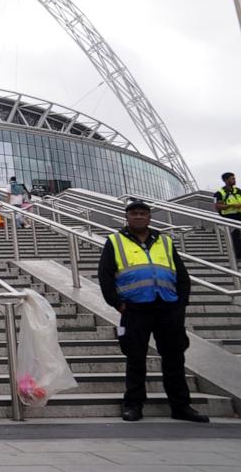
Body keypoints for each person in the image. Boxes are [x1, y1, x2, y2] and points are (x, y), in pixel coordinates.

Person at [97, 200, 208, 423]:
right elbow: (105, 275)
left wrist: (181, 303)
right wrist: (118, 303)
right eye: (134, 213)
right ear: (127, 217)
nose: (139, 217)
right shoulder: (115, 241)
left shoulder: (165, 241)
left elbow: (181, 274)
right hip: (135, 309)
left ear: (149, 217)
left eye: (143, 213)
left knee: (174, 357)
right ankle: (133, 404)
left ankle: (180, 406)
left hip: (167, 307)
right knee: (135, 357)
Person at [214, 172, 241, 260]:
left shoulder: (238, 191)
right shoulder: (219, 193)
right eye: (232, 179)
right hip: (229, 217)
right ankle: (238, 255)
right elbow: (217, 207)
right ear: (226, 180)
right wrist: (232, 205)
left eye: (234, 178)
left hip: (239, 215)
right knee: (235, 236)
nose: (234, 180)